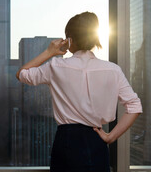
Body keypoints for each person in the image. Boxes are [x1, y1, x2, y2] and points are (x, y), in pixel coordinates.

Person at [16, 12, 142, 172]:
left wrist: (49, 52)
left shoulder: (56, 66)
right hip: (97, 139)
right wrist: (111, 136)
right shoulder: (113, 70)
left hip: (66, 140)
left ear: (69, 40)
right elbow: (134, 106)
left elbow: (22, 74)